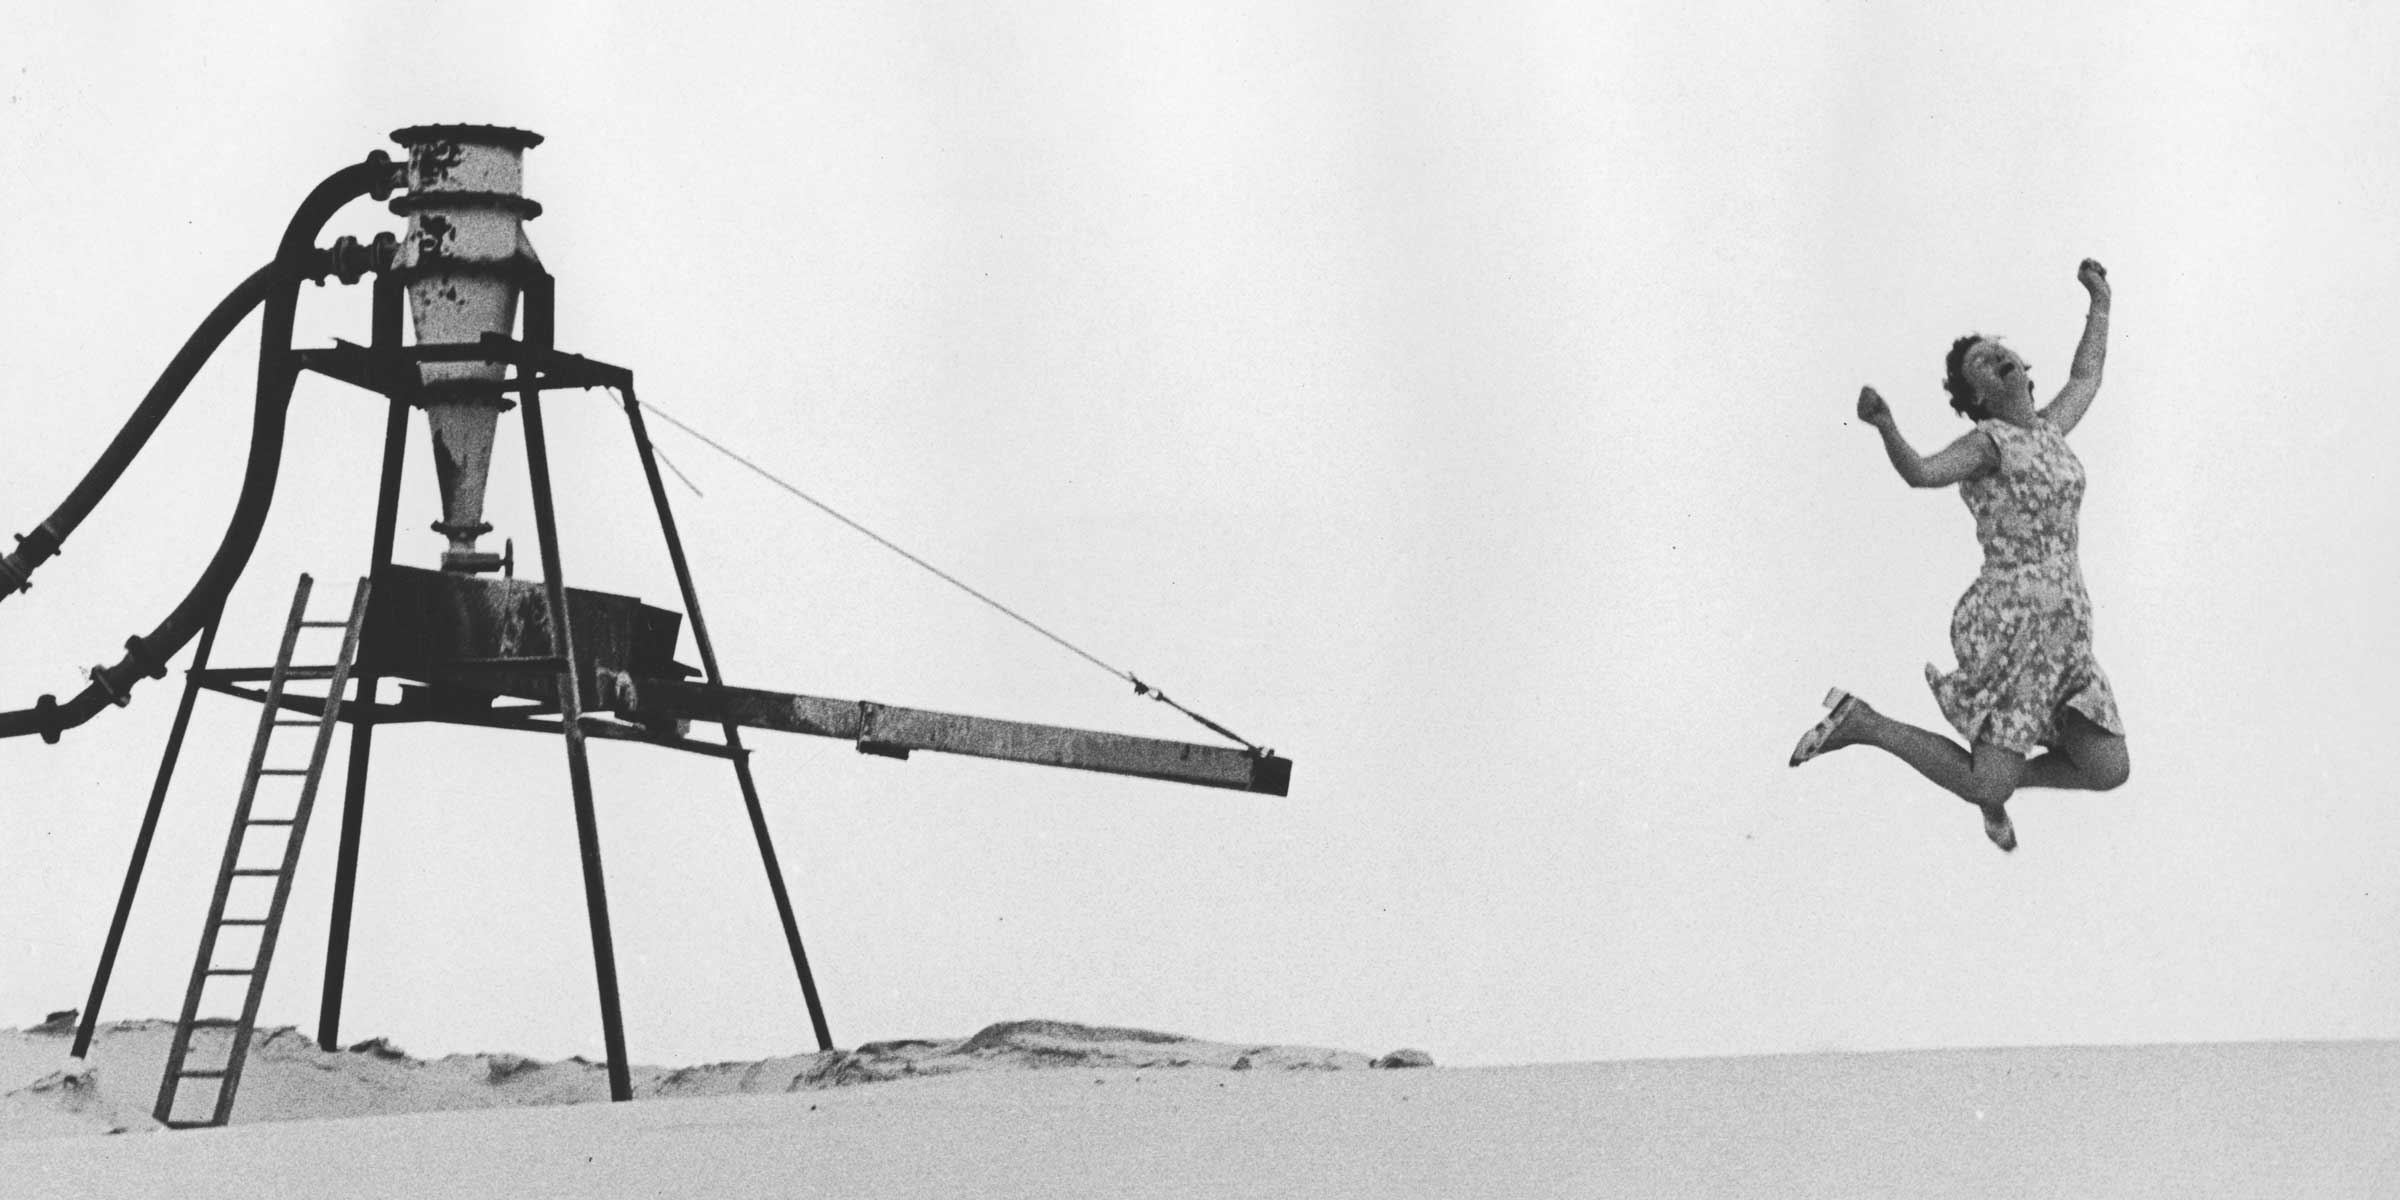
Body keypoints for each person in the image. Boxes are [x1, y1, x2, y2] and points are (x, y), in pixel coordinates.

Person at [1789, 258, 2130, 852]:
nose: (1995, 356)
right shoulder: (1988, 444)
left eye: (1999, 350)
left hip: (2067, 635)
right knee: (1982, 782)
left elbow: (2087, 377)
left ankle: (2001, 788)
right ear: (1978, 396)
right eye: (1979, 364)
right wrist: (1886, 426)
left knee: (2108, 768)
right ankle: (1862, 723)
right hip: (2014, 625)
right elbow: (1923, 472)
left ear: (2022, 370)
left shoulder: (2049, 430)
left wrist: (2100, 302)